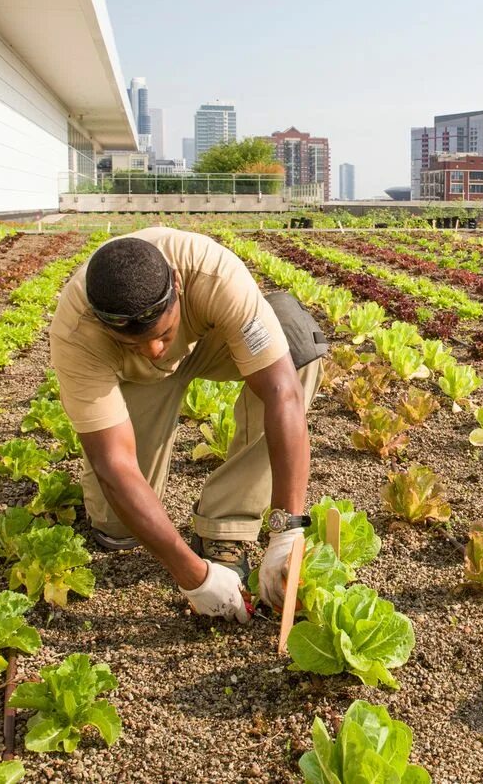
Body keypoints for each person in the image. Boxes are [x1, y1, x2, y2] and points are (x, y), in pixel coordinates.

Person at [49, 227, 328, 623]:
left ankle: (224, 526)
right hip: (134, 378)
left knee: (297, 349)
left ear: (177, 286)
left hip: (210, 341)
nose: (155, 350)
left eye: (162, 334)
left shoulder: (213, 274)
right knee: (117, 529)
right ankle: (127, 517)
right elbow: (115, 464)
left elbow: (282, 391)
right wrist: (193, 578)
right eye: (134, 342)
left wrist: (287, 529)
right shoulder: (77, 332)